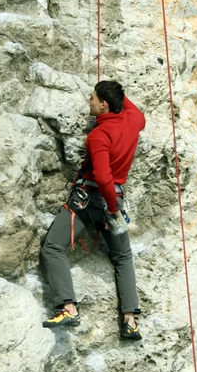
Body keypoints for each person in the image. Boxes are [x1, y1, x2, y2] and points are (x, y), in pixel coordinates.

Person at [41, 80, 146, 340]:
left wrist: (111, 210)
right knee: (123, 257)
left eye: (92, 98)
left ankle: (68, 308)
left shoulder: (99, 135)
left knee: (53, 246)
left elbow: (102, 176)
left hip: (89, 201)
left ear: (104, 103)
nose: (89, 101)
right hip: (116, 199)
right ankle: (130, 321)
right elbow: (131, 108)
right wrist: (115, 210)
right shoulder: (134, 122)